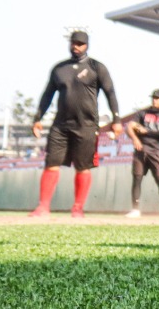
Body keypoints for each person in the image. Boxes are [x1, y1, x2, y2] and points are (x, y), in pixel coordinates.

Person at [29, 30, 123, 218]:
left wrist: (117, 120)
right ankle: (43, 207)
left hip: (86, 125)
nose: (76, 46)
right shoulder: (59, 68)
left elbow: (110, 93)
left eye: (80, 43)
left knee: (83, 166)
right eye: (74, 43)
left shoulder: (97, 67)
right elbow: (47, 95)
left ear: (87, 45)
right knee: (51, 164)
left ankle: (78, 208)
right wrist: (37, 118)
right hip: (61, 125)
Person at [126, 89, 159, 218]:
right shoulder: (142, 113)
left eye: (157, 98)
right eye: (153, 98)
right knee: (137, 178)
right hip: (140, 151)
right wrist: (135, 138)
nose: (154, 100)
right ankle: (135, 209)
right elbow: (129, 126)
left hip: (156, 151)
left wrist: (145, 131)